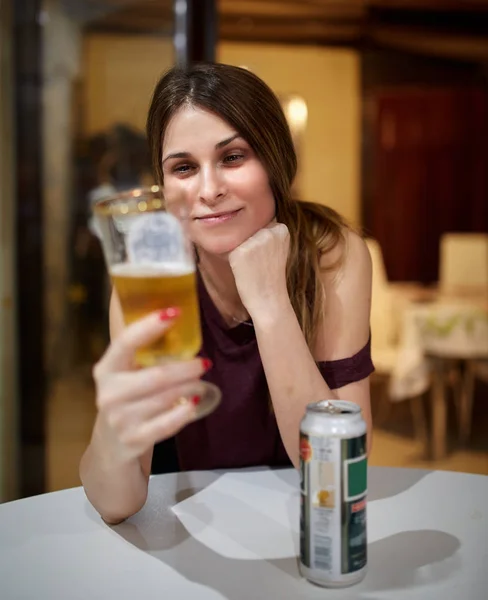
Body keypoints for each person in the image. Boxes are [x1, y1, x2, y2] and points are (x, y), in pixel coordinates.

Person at [80, 63, 374, 525]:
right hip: (194, 520)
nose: (209, 190)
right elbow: (117, 504)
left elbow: (335, 474)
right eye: (183, 167)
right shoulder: (150, 276)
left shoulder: (331, 253)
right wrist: (113, 424)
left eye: (233, 157)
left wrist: (272, 303)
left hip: (299, 520)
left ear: (275, 160)